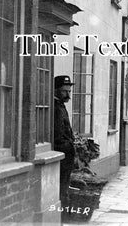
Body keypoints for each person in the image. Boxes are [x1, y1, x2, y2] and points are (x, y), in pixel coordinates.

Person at [54, 75, 75, 207]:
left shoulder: (60, 105)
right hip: (61, 153)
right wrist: (69, 146)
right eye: (64, 91)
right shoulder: (55, 107)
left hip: (66, 154)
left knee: (64, 186)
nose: (68, 94)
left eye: (69, 91)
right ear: (56, 90)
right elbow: (58, 134)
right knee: (61, 187)